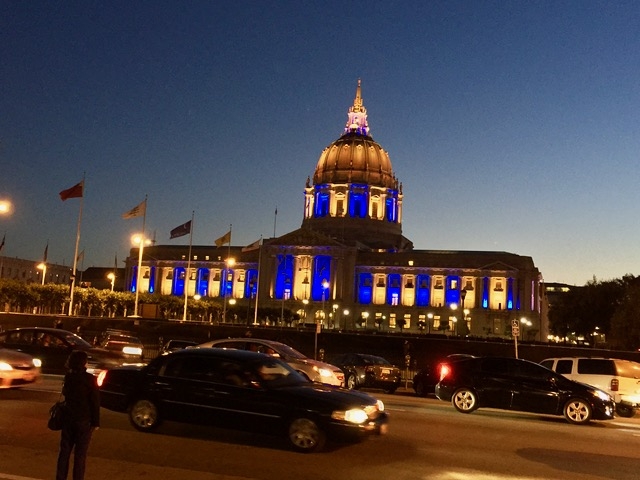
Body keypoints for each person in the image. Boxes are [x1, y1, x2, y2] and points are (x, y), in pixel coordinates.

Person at [55, 350, 100, 480]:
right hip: (84, 420)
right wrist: (96, 422)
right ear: (84, 363)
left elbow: (66, 394)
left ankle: (60, 477)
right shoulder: (90, 379)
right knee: (80, 455)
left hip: (68, 418)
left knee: (64, 452)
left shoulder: (68, 377)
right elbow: (95, 402)